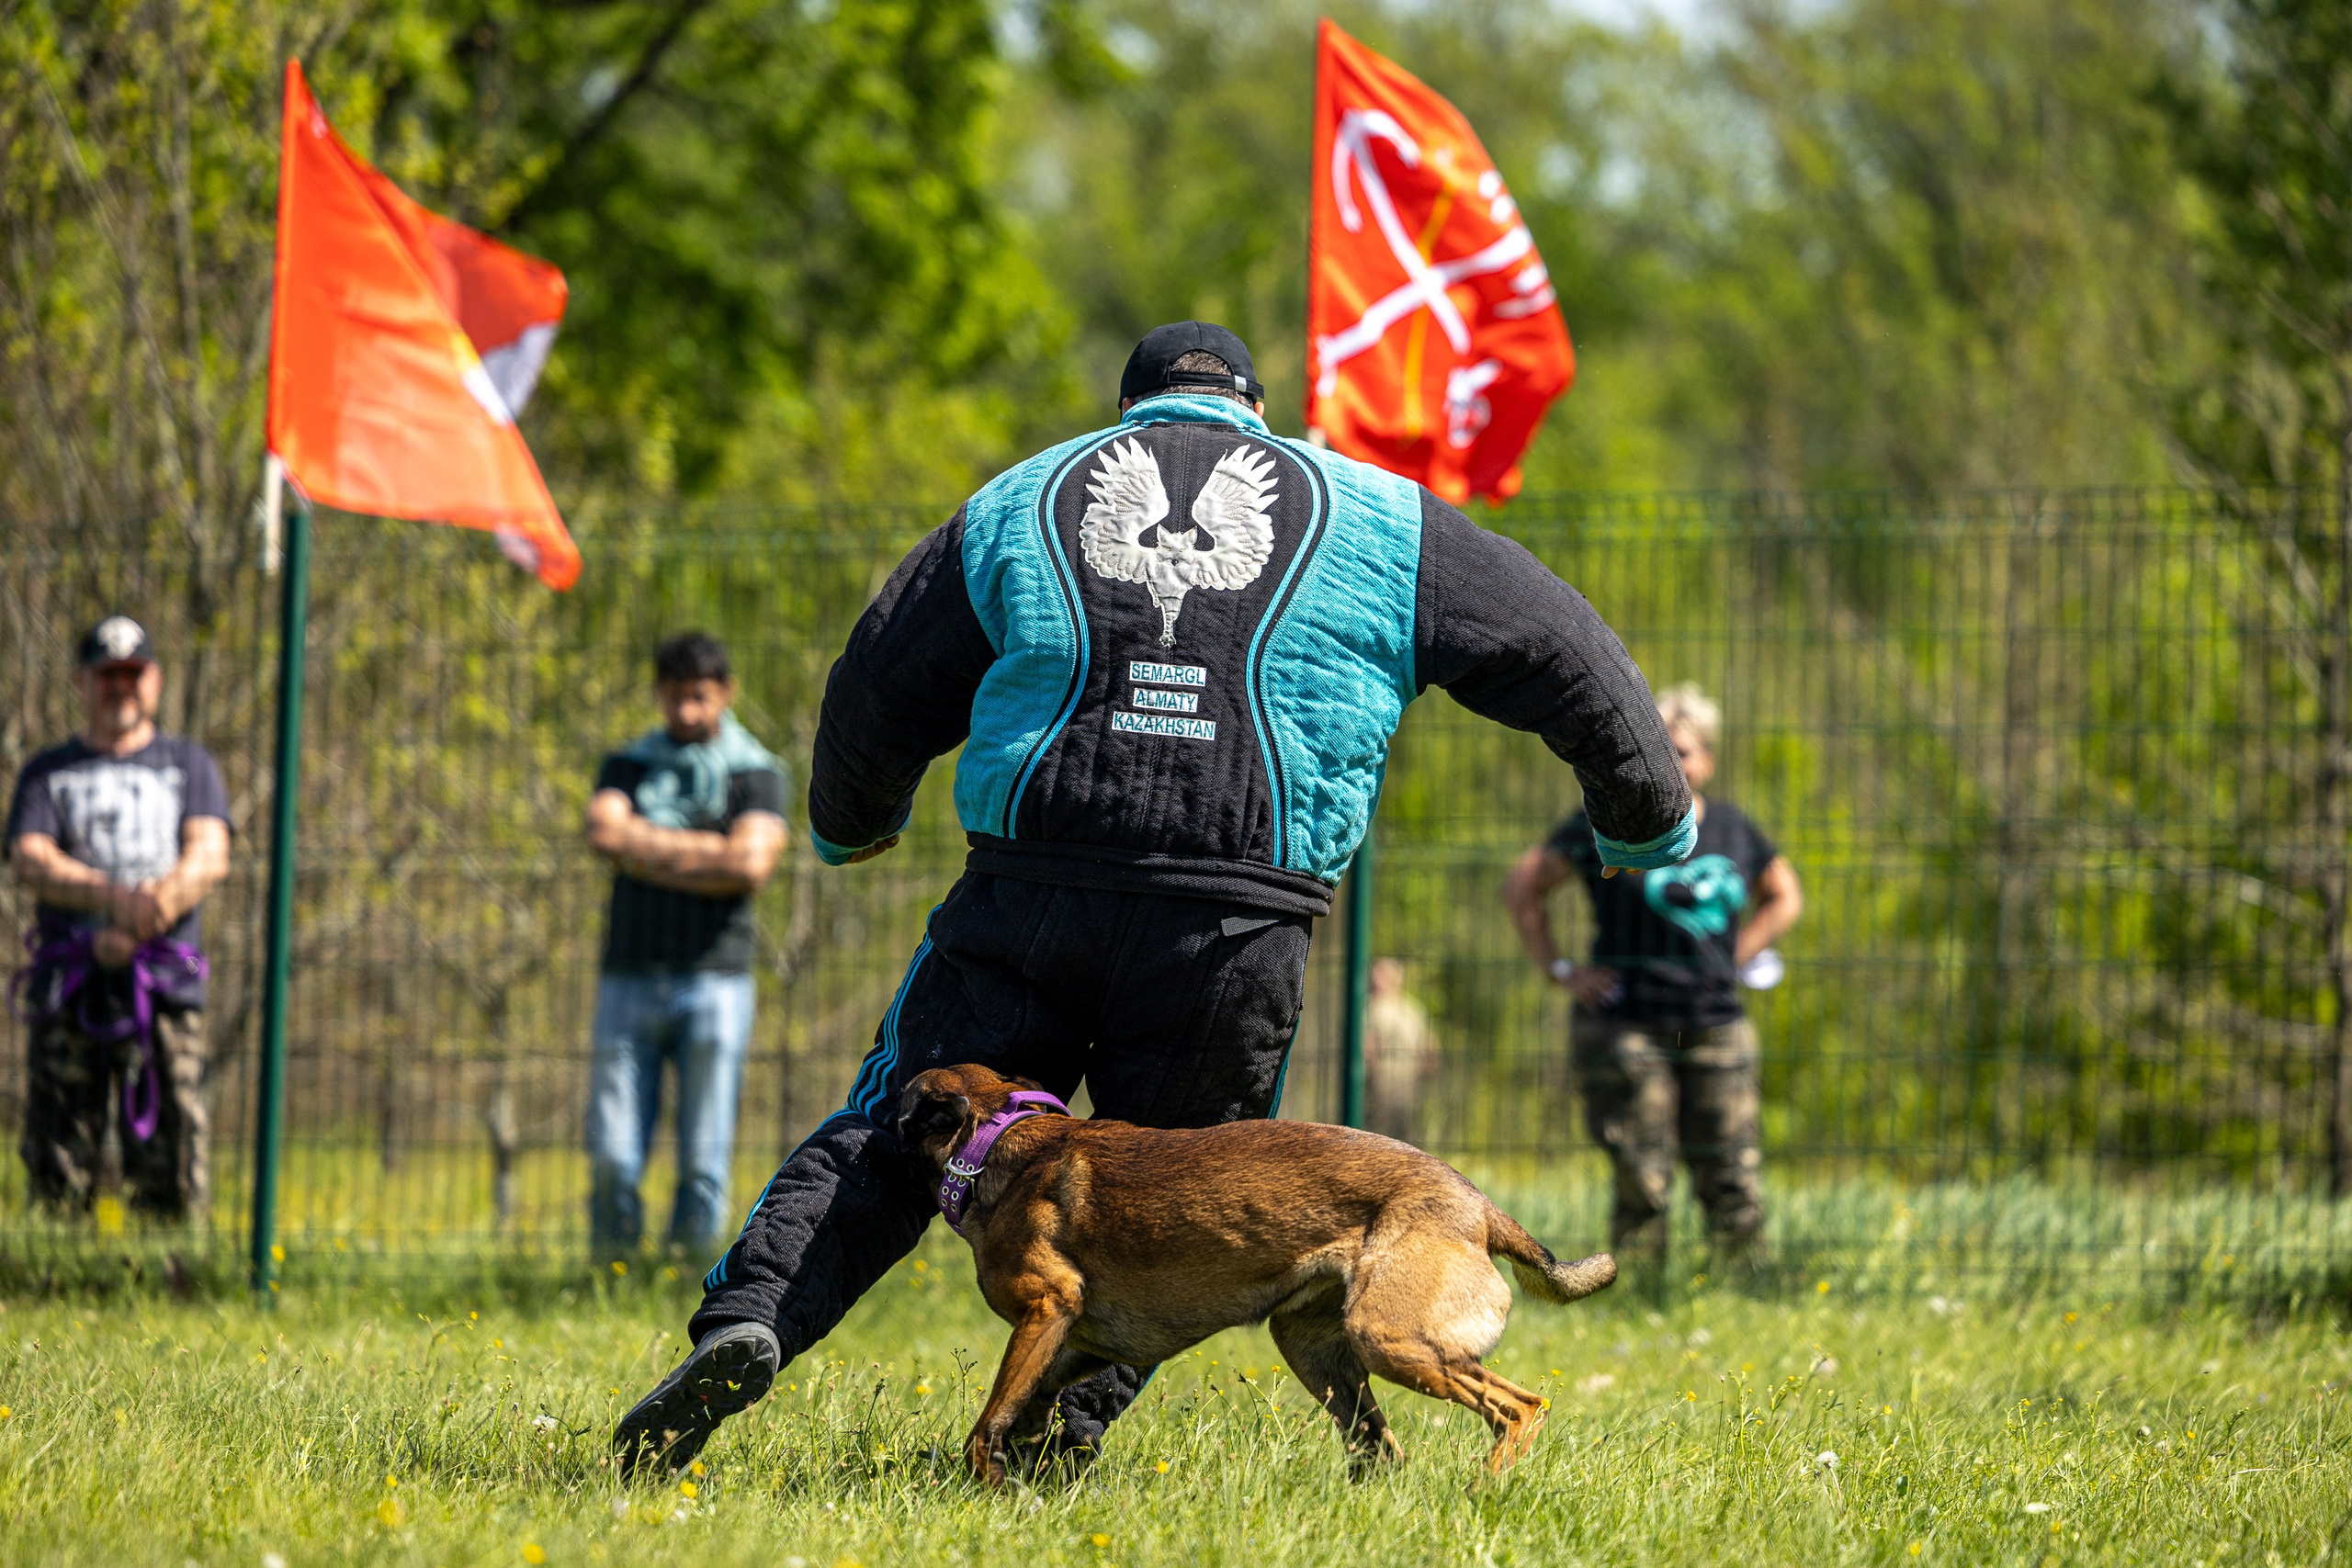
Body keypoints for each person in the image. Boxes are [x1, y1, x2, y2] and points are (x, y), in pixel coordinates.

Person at [613, 321, 1696, 1474]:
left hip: (1031, 886)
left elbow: (881, 671)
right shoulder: (1379, 516)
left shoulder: (1025, 497)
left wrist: (852, 818)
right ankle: (1050, 1442)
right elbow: (1561, 645)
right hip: (1235, 919)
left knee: (899, 1127)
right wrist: (1644, 817)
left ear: (1126, 410)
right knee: (1181, 1204)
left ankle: (753, 1317)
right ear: (1255, 409)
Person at [1501, 682, 1802, 1262]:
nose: (1674, 761)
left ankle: (1748, 1288)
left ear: (1709, 759)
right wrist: (1561, 970)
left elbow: (1784, 895)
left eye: (1685, 750)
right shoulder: (1607, 820)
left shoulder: (1734, 829)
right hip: (1626, 1027)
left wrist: (1737, 955)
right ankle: (1639, 1291)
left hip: (1715, 1024)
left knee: (1733, 1174)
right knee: (1643, 1177)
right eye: (1660, 747)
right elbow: (1523, 887)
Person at [6, 615, 231, 1221]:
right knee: (59, 1135)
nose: (120, 686)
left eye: (132, 673)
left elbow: (211, 853)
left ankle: (175, 1272)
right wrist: (113, 899)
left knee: (173, 1134)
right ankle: (53, 1268)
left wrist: (146, 916)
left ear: (153, 680)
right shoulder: (49, 771)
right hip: (70, 980)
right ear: (82, 682)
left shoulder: (189, 763)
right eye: (107, 674)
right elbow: (30, 856)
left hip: (162, 981)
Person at [583, 632, 789, 1262]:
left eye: (700, 697)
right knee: (613, 1155)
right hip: (629, 975)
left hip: (716, 980)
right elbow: (600, 829)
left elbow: (751, 863)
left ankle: (688, 1280)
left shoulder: (756, 772)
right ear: (659, 693)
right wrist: (710, 858)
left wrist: (642, 851)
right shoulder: (628, 763)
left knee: (704, 1158)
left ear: (725, 692)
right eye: (675, 697)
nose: (688, 712)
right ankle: (611, 1273)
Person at [1363, 956, 1438, 1145]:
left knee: (1373, 1142)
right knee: (1405, 1144)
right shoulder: (1414, 1010)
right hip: (1408, 1093)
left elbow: (1367, 1049)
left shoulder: (1371, 1008)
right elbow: (1432, 1053)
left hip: (1377, 1093)